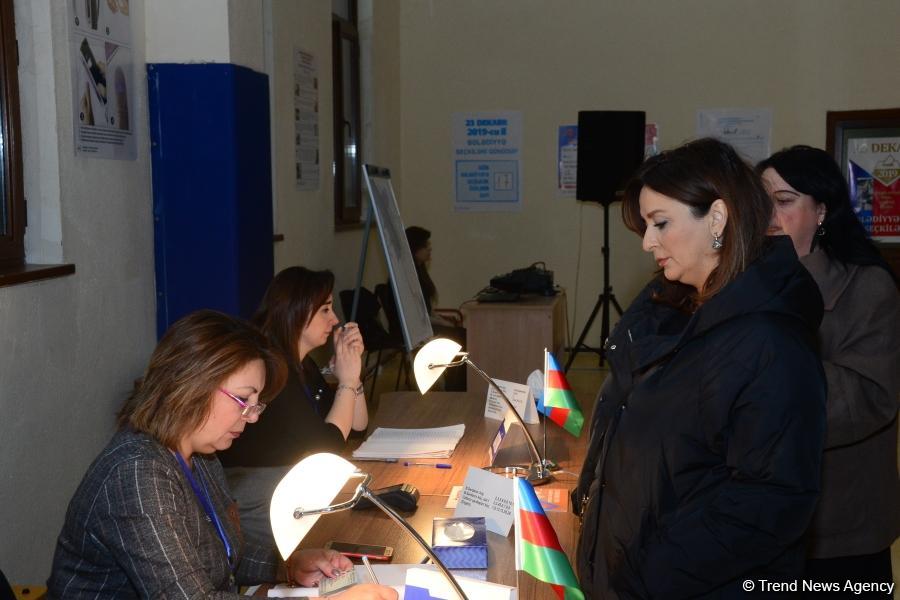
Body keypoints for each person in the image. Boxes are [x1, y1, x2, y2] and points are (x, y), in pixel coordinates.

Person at [573, 138, 827, 598]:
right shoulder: (670, 311)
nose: (648, 242)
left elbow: (768, 502)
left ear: (716, 218)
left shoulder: (771, 342)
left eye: (660, 223)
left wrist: (648, 572)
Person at [47, 309, 396, 600]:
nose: (253, 416)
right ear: (191, 384)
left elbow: (224, 557)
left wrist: (289, 566)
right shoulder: (137, 473)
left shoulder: (202, 458)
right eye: (244, 400)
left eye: (256, 404)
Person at [759, 146, 899, 594]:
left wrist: (760, 391)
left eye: (784, 201)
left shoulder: (867, 286)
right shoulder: (746, 286)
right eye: (761, 203)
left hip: (840, 527)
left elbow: (870, 397)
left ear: (821, 210)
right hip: (760, 520)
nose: (769, 216)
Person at [220, 267, 369, 546]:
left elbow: (357, 428)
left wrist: (353, 374)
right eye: (325, 309)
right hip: (256, 497)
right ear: (297, 312)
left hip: (286, 485)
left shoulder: (303, 365)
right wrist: (347, 382)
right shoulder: (273, 371)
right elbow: (329, 447)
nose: (335, 319)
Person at [404, 225, 467, 391]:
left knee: (461, 332)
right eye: (426, 246)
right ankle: (455, 387)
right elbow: (417, 315)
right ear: (415, 249)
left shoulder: (419, 271)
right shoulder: (407, 277)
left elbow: (427, 310)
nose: (429, 249)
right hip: (416, 328)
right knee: (459, 336)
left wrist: (441, 320)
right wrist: (443, 324)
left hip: (424, 323)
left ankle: (458, 384)